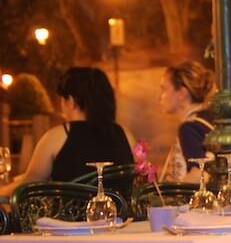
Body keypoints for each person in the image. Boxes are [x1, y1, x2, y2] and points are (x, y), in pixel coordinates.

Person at [0, 67, 135, 196]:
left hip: (69, 219)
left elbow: (27, 186)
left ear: (70, 100)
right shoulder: (125, 135)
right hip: (120, 218)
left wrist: (2, 191)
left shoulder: (56, 137)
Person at [159, 60, 215, 183]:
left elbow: (200, 174)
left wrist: (173, 193)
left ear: (182, 94)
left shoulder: (189, 128)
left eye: (164, 89)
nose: (160, 96)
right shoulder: (210, 117)